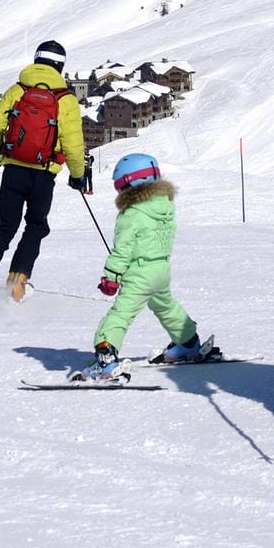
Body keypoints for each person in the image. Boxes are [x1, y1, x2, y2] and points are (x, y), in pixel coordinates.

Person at [0, 40, 88, 315]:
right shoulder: (65, 99)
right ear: (60, 66)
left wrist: (5, 150)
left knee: (4, 228)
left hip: (13, 170)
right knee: (35, 225)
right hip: (44, 174)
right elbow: (74, 144)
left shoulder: (17, 90)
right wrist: (77, 176)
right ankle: (17, 282)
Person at [73, 153, 214, 380]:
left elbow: (123, 249)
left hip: (139, 273)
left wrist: (111, 277)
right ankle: (188, 343)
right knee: (166, 306)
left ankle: (106, 357)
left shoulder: (131, 214)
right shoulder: (165, 207)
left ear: (129, 184)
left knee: (121, 313)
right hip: (161, 270)